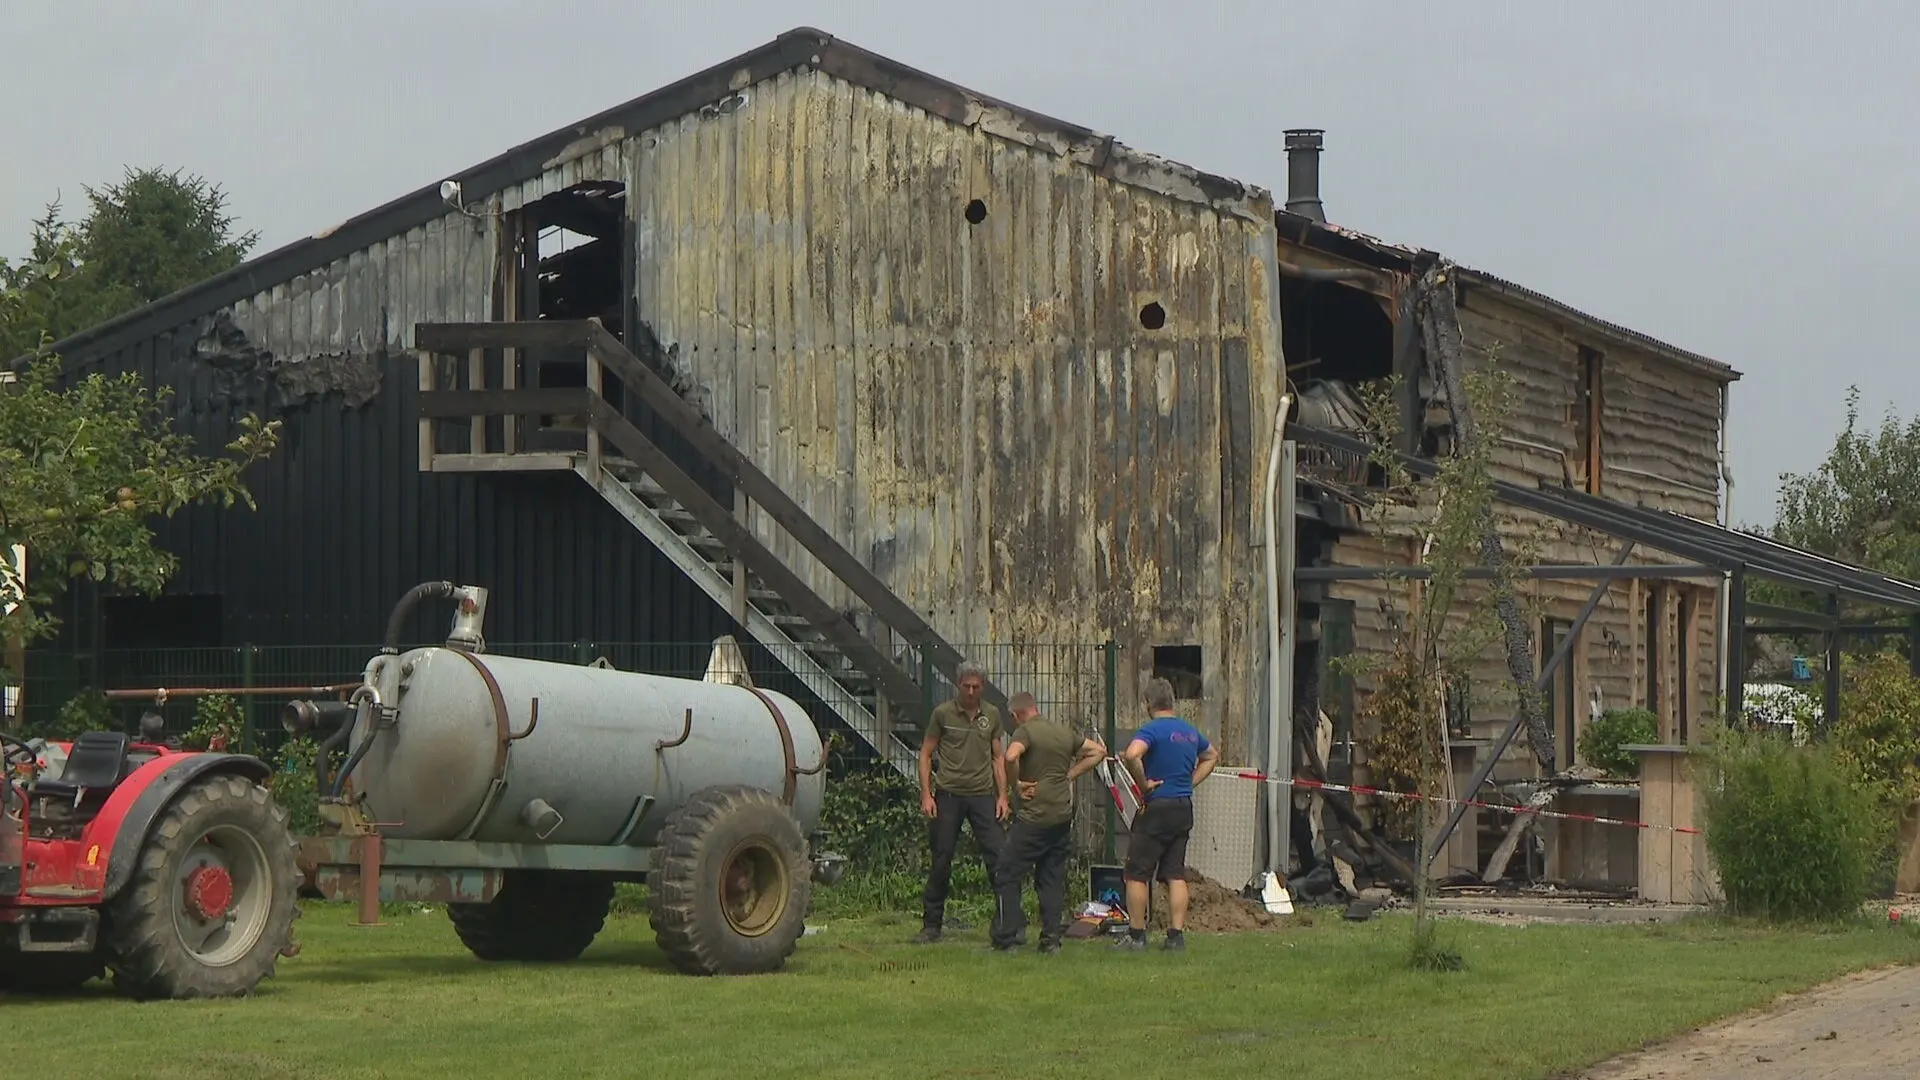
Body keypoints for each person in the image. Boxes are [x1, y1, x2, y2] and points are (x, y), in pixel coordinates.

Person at [991, 692, 1106, 953]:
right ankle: (1051, 940)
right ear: (1035, 707)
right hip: (1061, 817)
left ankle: (1006, 938)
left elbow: (1010, 757)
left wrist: (1016, 785)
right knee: (1051, 878)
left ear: (1015, 715)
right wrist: (1069, 776)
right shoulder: (1062, 732)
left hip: (1034, 817)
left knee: (1006, 873)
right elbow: (1099, 751)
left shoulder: (1026, 732)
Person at [1114, 677, 1218, 952]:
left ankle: (1136, 936)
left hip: (1157, 806)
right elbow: (1212, 756)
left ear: (1148, 703)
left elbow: (1132, 754)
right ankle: (1176, 936)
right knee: (1175, 873)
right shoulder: (1189, 731)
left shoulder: (1152, 730)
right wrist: (1190, 782)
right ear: (1172, 701)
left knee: (1136, 873)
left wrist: (1144, 783)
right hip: (1183, 806)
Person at [915, 661, 1009, 944]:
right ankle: (932, 925)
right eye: (966, 686)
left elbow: (997, 758)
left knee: (998, 858)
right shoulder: (942, 713)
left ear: (983, 687)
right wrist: (926, 795)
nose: (970, 691)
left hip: (982, 795)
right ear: (958, 685)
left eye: (976, 687)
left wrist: (1003, 796)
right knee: (941, 859)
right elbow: (926, 754)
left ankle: (1006, 924)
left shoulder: (991, 715)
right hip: (949, 794)